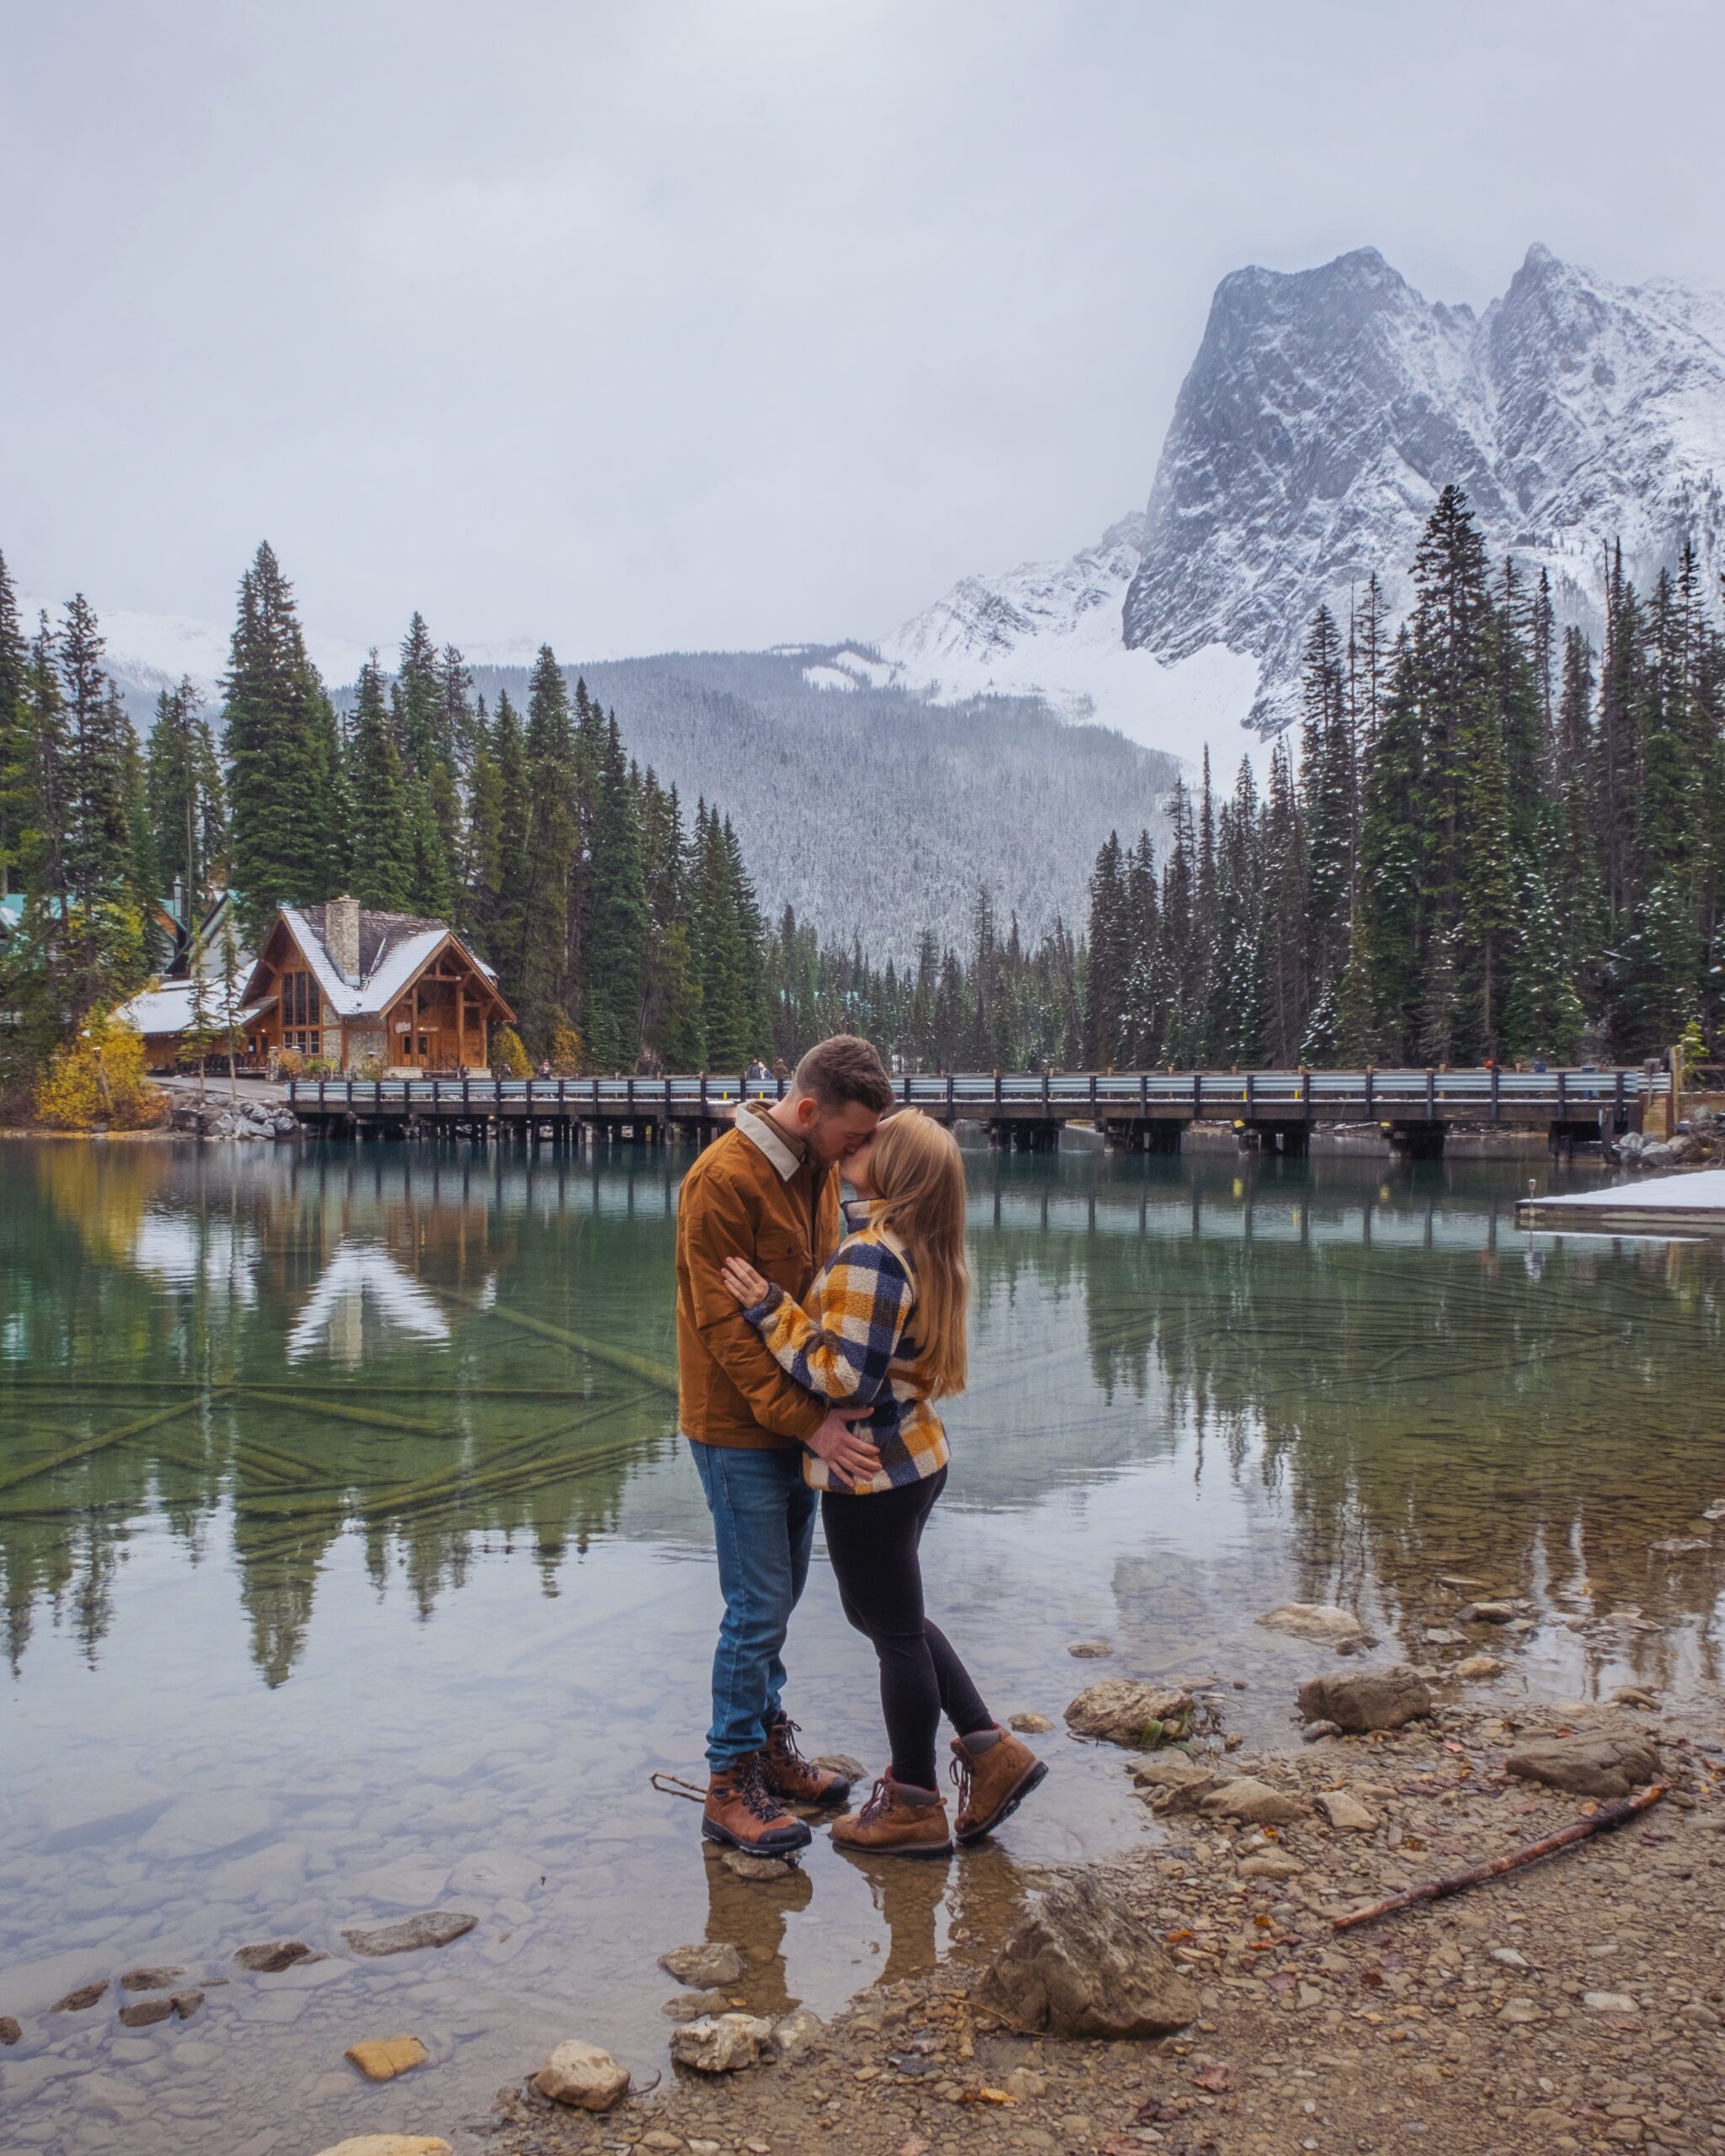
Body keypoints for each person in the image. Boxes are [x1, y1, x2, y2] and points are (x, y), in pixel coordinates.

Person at [722, 1110, 1045, 1857]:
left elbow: (843, 1375)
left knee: (894, 1634)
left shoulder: (872, 1256)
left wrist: (771, 1311)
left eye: (872, 1143)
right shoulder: (921, 1248)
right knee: (888, 1619)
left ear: (898, 1169)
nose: (854, 1146)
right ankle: (991, 1750)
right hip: (912, 1458)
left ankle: (914, 1804)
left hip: (872, 1471)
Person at [676, 1034, 897, 1854]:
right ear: (807, 1111)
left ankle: (767, 1743)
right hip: (737, 1428)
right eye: (851, 1137)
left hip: (803, 1420)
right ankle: (727, 1782)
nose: (859, 1153)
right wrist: (811, 1423)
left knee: (785, 1591)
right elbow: (725, 1336)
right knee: (756, 1603)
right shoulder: (719, 1183)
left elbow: (812, 1300)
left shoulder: (816, 1171)